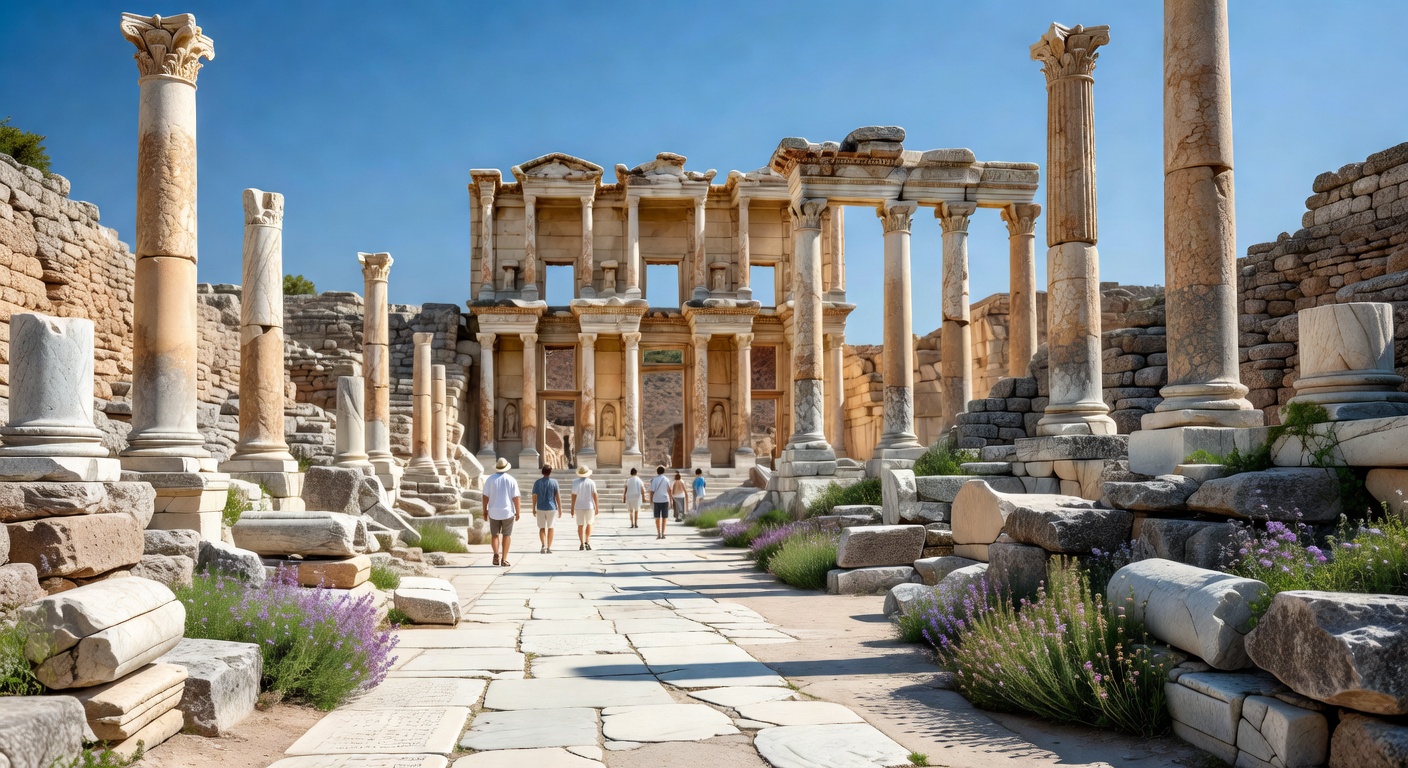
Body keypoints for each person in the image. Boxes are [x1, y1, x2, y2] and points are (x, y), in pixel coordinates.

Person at [482, 457, 520, 567]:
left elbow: (485, 497)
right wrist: (518, 512)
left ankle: (495, 555)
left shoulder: (490, 479)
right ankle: (504, 558)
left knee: (495, 535)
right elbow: (516, 498)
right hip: (507, 512)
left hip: (493, 511)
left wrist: (484, 510)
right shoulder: (511, 479)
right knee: (506, 535)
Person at [531, 465, 561, 554]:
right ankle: (549, 547)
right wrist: (560, 508)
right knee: (551, 527)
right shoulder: (554, 482)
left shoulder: (537, 483)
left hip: (540, 507)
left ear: (542, 472)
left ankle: (543, 544)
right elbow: (557, 496)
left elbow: (534, 496)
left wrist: (533, 507)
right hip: (551, 507)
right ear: (550, 472)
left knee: (542, 527)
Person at [572, 465, 599, 550]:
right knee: (589, 523)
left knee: (580, 524)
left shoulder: (575, 482)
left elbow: (573, 495)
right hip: (589, 505)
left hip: (578, 506)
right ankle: (587, 541)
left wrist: (572, 508)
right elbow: (595, 495)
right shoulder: (591, 482)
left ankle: (581, 543)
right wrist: (597, 506)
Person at [649, 465, 671, 540]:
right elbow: (669, 490)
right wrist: (671, 499)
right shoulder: (667, 479)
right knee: (664, 517)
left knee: (657, 517)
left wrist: (650, 500)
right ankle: (663, 533)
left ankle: (658, 533)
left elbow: (652, 491)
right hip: (665, 499)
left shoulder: (654, 480)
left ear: (657, 472)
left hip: (656, 499)